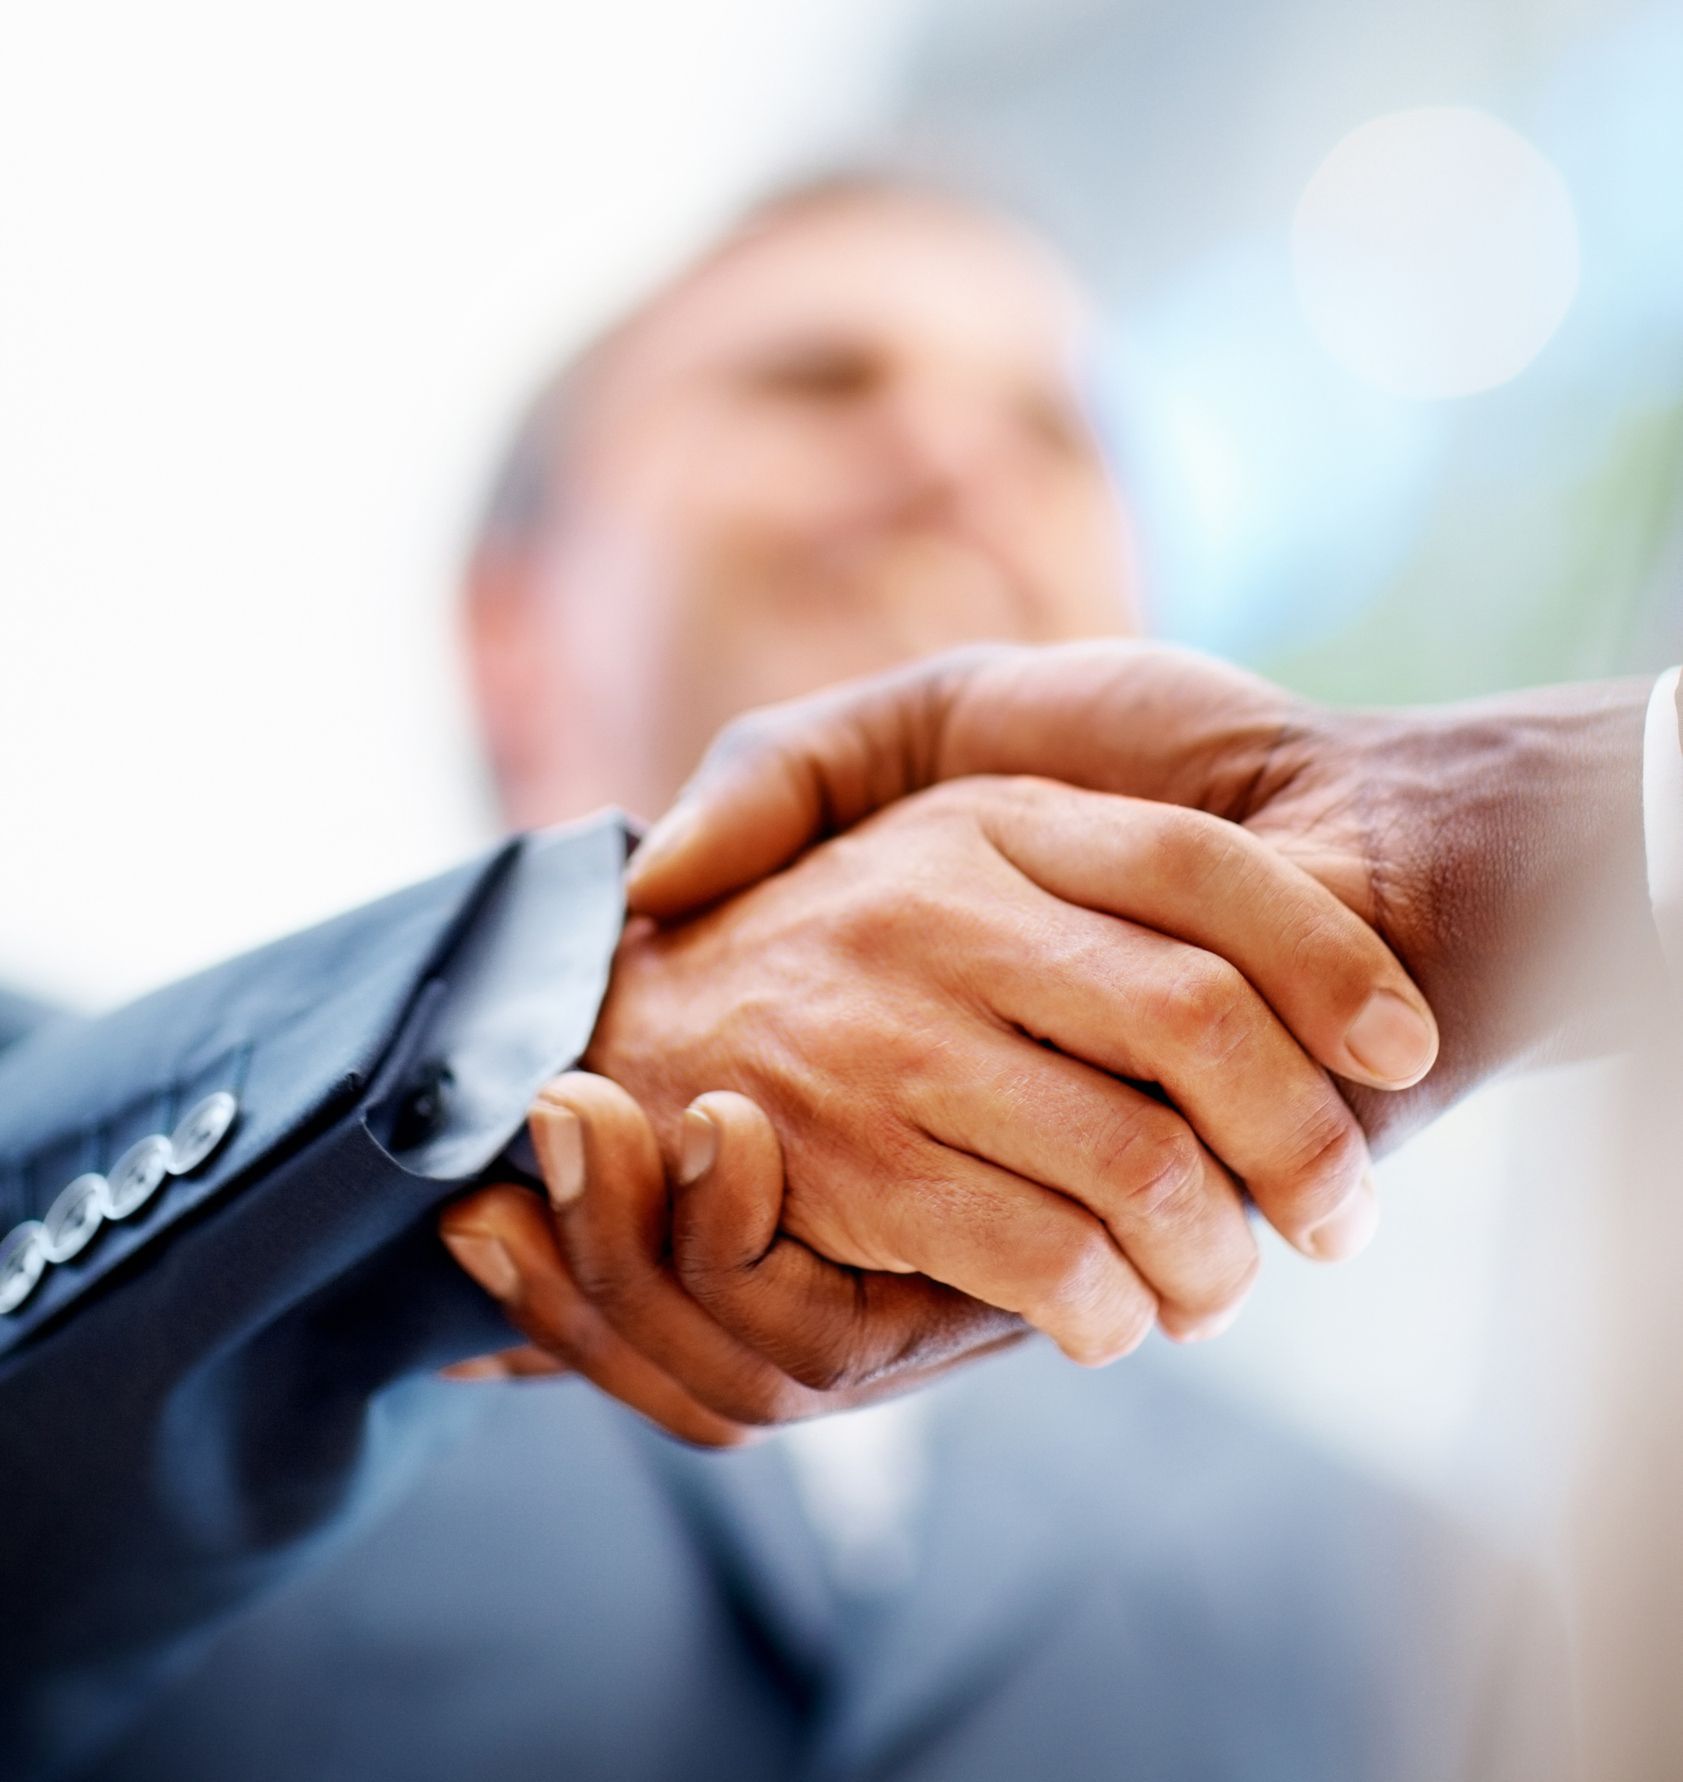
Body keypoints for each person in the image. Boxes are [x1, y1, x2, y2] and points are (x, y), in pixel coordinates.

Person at [0, 177, 1554, 1782]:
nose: (954, 458)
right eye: (813, 381)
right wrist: (554, 1024)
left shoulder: (1452, 1620)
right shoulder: (94, 1169)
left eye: (1053, 431)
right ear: (513, 626)